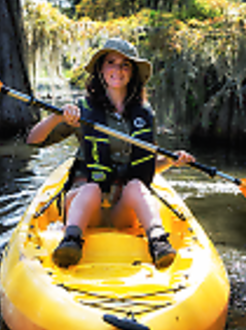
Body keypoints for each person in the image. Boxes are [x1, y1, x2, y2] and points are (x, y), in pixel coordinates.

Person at [26, 38, 194, 269]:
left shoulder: (144, 115)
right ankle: (71, 240)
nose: (118, 70)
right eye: (111, 63)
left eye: (125, 65)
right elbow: (34, 140)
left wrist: (171, 161)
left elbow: (146, 168)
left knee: (136, 185)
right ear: (101, 69)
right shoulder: (82, 111)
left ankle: (158, 242)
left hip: (121, 212)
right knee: (92, 188)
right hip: (85, 209)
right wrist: (57, 116)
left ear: (133, 72)